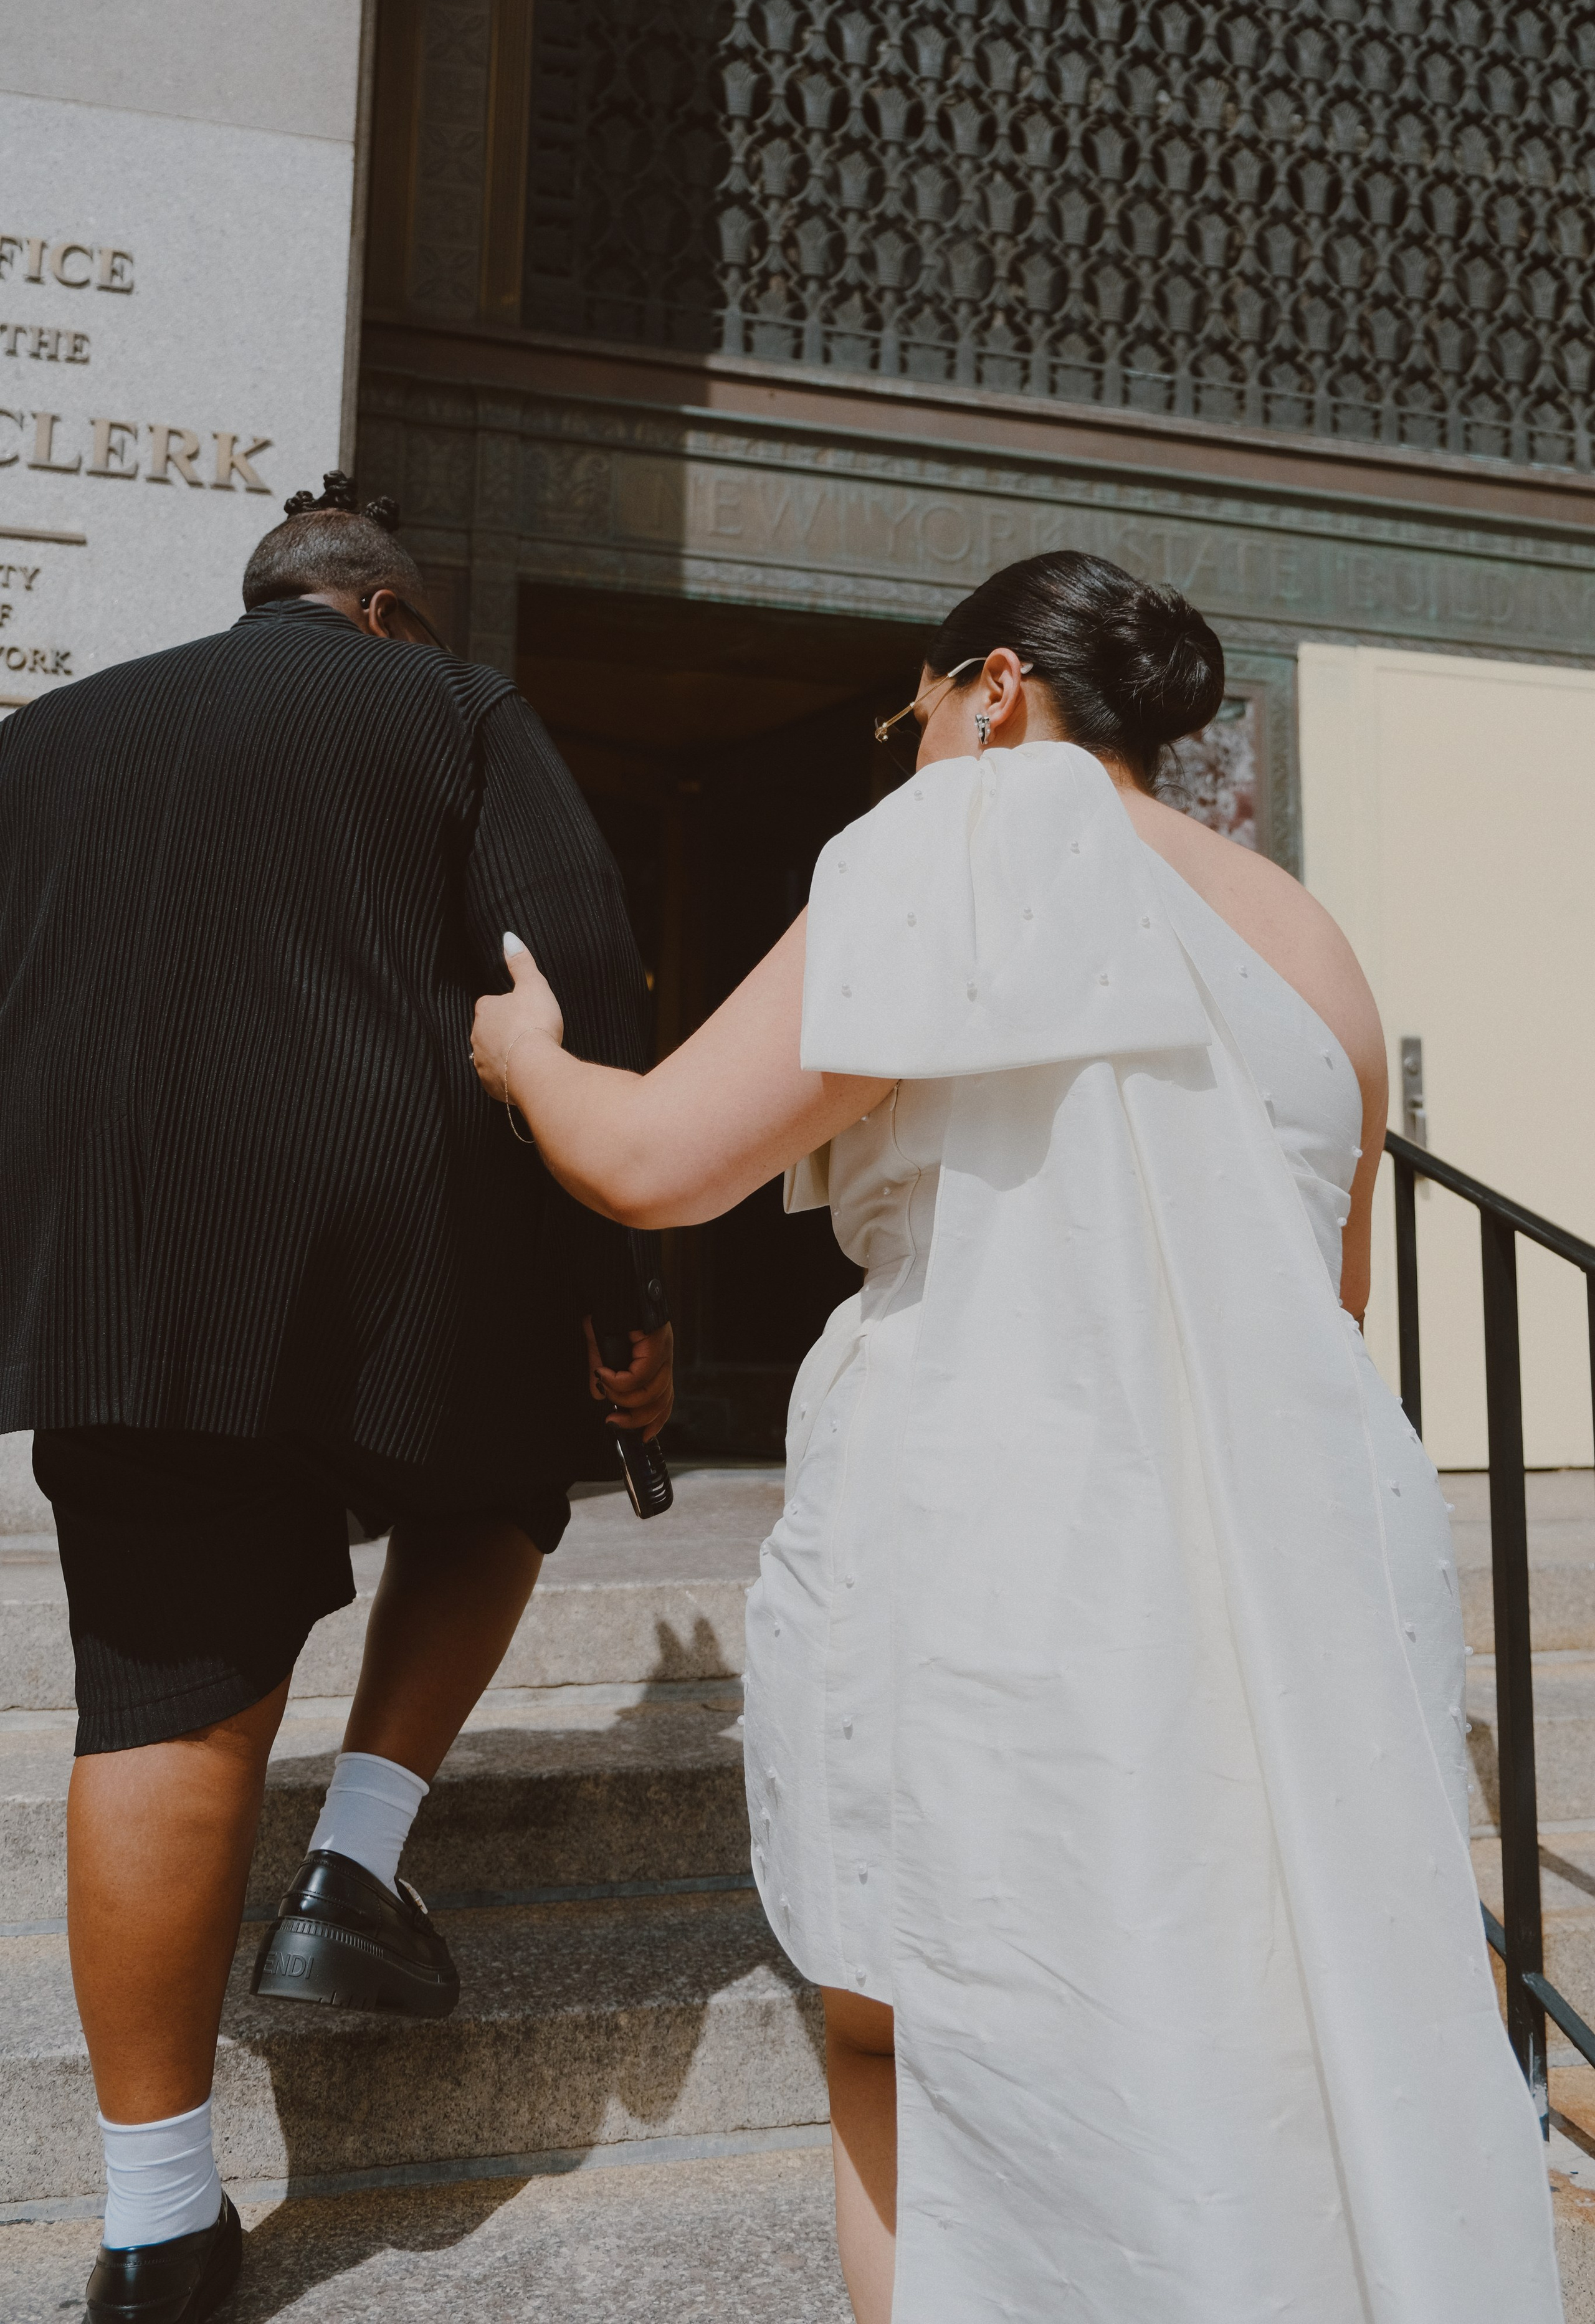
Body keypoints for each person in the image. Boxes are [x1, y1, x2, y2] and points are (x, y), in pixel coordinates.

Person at [472, 549, 1559, 2323]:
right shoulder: (1310, 943)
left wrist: (525, 1056)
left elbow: (659, 1159)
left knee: (920, 2023)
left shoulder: (974, 830)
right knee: (1246, 2030)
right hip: (1292, 1567)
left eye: (908, 720)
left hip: (999, 1529)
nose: (904, 763)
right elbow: (1325, 1304)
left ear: (994, 688)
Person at [0, 474, 670, 2324]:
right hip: (390, 1240)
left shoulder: (49, 733)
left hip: (124, 1267)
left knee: (160, 1702)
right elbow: (575, 971)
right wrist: (621, 1297)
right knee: (521, 1455)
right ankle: (356, 1871)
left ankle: (153, 2232)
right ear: (383, 615)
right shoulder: (448, 703)